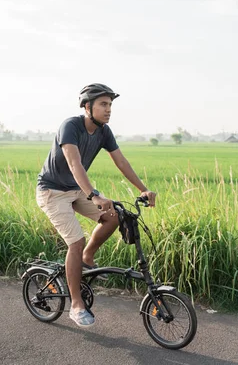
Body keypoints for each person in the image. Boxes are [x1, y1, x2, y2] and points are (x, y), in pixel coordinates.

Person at [36, 83, 157, 328]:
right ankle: (77, 304)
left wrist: (142, 188)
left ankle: (87, 257)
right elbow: (74, 163)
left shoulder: (104, 131)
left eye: (110, 105)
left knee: (113, 216)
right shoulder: (70, 126)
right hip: (52, 192)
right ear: (87, 106)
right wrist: (94, 195)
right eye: (103, 104)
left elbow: (121, 161)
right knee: (75, 241)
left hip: (77, 189)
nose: (108, 109)